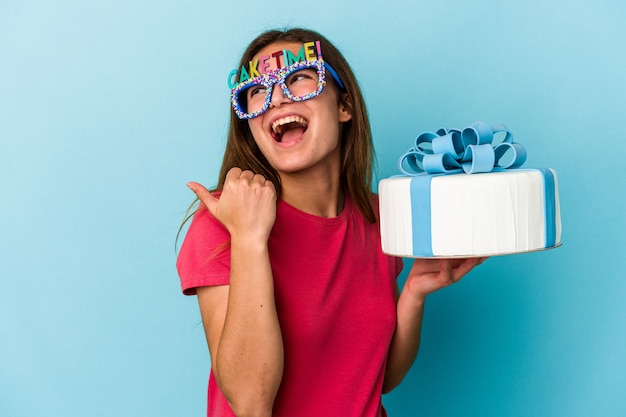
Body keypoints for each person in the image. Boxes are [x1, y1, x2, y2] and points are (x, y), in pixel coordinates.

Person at [176, 27, 485, 417]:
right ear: (252, 129)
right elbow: (251, 402)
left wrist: (414, 293)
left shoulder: (379, 218)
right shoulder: (223, 224)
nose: (276, 99)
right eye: (256, 92)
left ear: (344, 107)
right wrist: (250, 239)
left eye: (299, 78)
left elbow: (377, 376)